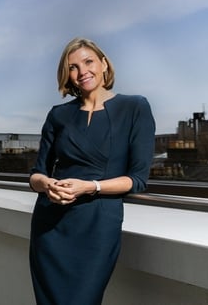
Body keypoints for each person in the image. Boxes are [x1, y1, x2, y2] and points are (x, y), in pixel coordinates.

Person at [28, 37, 155, 305]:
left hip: (98, 224)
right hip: (50, 224)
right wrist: (48, 185)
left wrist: (91, 186)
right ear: (67, 75)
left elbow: (138, 179)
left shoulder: (135, 107)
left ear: (104, 64)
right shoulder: (58, 115)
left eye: (88, 62)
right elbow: (36, 174)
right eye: (73, 67)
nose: (82, 71)